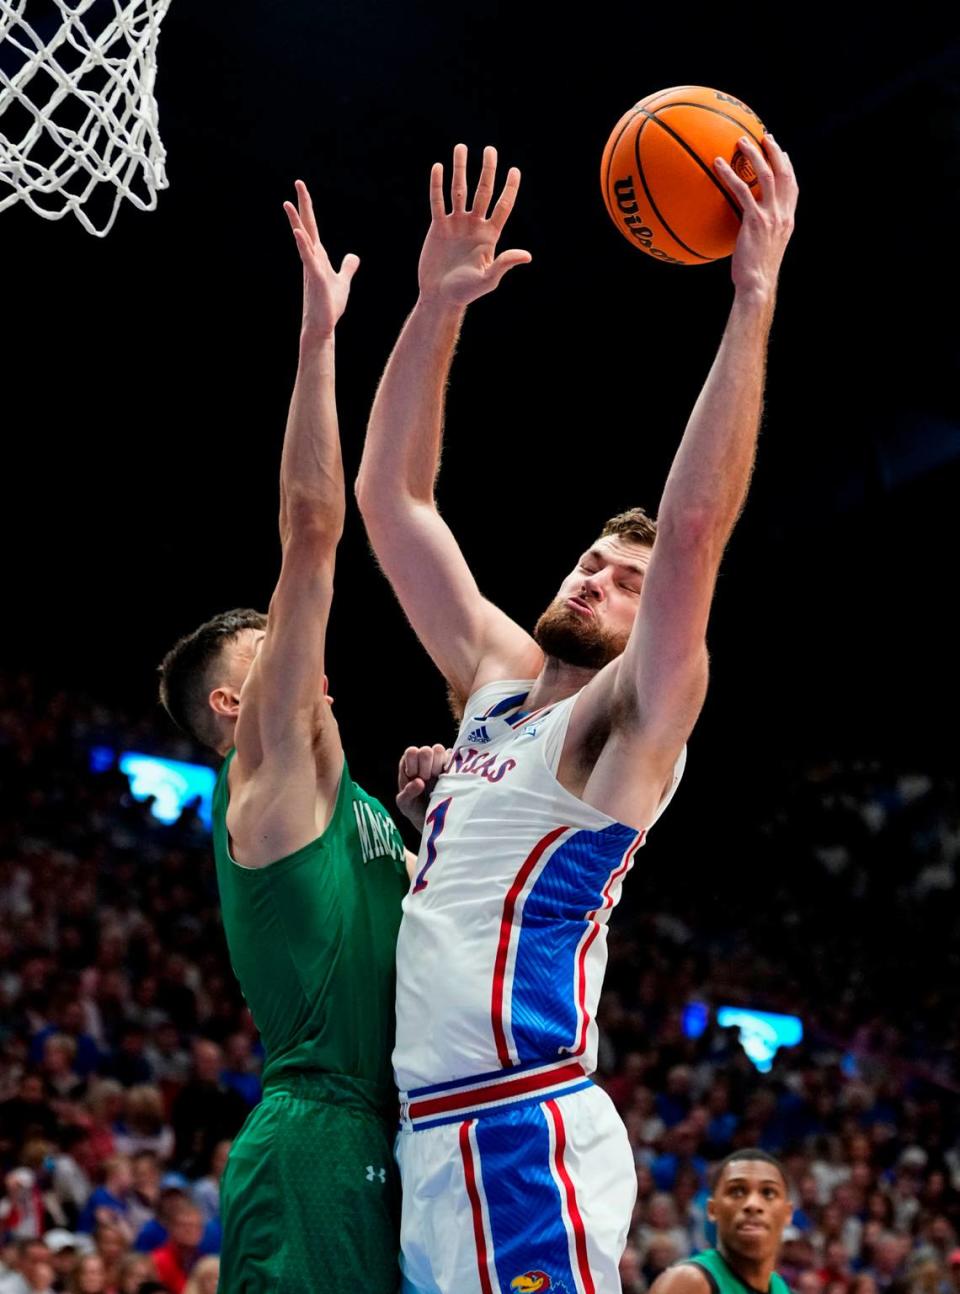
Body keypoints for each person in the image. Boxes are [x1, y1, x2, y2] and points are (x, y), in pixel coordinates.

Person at [358, 137, 798, 1292]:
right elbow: (392, 502)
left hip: (516, 1129)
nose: (590, 579)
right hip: (432, 1136)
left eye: (621, 579)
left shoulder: (630, 719)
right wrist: (436, 305)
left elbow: (695, 536)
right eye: (589, 561)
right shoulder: (499, 685)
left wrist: (751, 298)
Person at [156, 182, 411, 1293]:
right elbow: (313, 533)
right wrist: (319, 339)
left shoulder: (338, 798)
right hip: (314, 1141)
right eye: (273, 648)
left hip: (372, 1137)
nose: (300, 652)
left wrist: (430, 818)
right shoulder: (265, 768)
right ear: (232, 706)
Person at [649, 1151, 794, 1294]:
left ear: (788, 1213)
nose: (753, 1204)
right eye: (737, 1191)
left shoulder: (781, 1287)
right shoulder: (689, 1282)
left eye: (768, 1192)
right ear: (712, 1209)